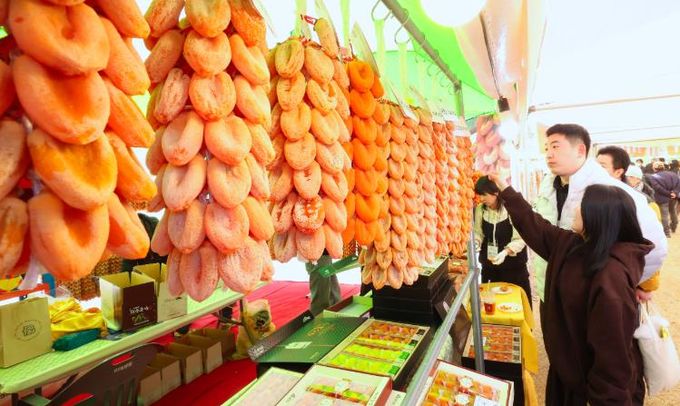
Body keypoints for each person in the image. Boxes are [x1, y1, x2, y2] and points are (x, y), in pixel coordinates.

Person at [490, 174, 648, 405]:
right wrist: (507, 191)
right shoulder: (574, 245)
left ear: (597, 216)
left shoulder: (611, 276)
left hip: (588, 388)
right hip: (568, 373)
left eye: (581, 205)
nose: (574, 209)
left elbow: (613, 357)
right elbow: (536, 227)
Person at [532, 124, 666, 316]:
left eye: (555, 146)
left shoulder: (610, 191)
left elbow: (654, 247)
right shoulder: (548, 186)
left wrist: (625, 283)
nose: (549, 154)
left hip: (589, 299)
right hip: (550, 290)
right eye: (546, 148)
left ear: (580, 150)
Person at [473, 176, 531, 304]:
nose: (481, 198)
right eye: (479, 195)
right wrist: (476, 242)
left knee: (514, 304)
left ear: (495, 192)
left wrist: (505, 252)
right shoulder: (480, 209)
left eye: (484, 195)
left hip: (513, 267)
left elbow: (521, 238)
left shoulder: (511, 209)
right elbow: (478, 232)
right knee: (492, 303)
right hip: (489, 267)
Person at [647, 161, 680, 237]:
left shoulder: (653, 176)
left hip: (662, 198)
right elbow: (678, 184)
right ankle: (674, 226)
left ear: (654, 168)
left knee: (664, 215)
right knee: (673, 211)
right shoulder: (673, 174)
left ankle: (666, 232)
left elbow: (657, 188)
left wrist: (669, 193)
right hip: (673, 197)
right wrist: (674, 193)